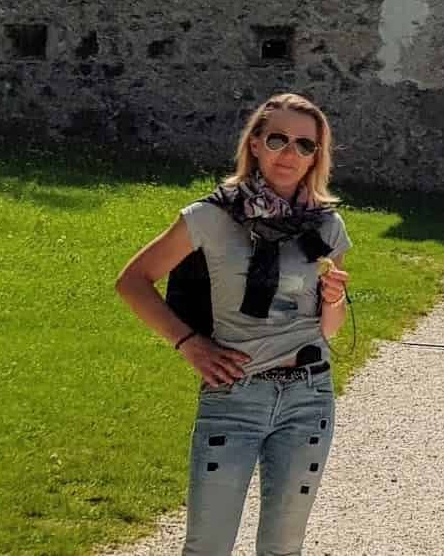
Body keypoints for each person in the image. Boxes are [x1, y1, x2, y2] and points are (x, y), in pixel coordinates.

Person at [117, 94, 352, 556]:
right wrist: (188, 343)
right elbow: (133, 282)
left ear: (316, 157)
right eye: (278, 139)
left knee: (283, 547)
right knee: (208, 545)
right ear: (256, 144)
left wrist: (335, 298)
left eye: (305, 145)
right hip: (235, 396)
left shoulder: (326, 226)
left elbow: (329, 330)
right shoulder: (210, 217)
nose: (290, 153)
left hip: (309, 396)